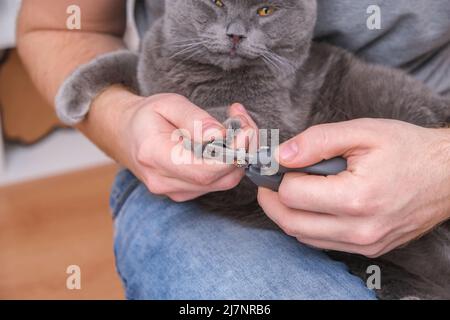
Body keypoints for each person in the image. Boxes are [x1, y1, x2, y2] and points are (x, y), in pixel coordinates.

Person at [17, 0, 449, 299]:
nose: (236, 31)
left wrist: (438, 165)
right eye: (218, 3)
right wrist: (120, 114)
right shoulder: (166, 51)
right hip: (188, 192)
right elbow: (57, 24)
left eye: (264, 10)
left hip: (423, 131)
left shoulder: (288, 73)